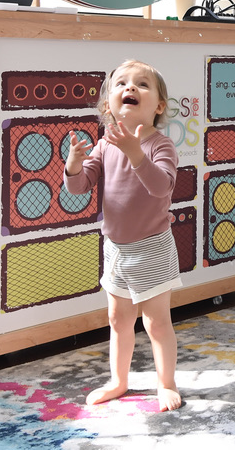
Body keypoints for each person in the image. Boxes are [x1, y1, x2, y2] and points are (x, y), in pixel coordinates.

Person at [63, 59, 182, 411]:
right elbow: (79, 187)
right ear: (108, 104)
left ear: (159, 106)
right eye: (122, 83)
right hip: (115, 248)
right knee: (118, 319)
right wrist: (72, 164)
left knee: (156, 322)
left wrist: (135, 153)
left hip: (152, 248)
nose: (130, 88)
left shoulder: (160, 146)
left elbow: (162, 188)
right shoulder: (104, 145)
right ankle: (119, 380)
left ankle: (166, 383)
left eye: (142, 84)